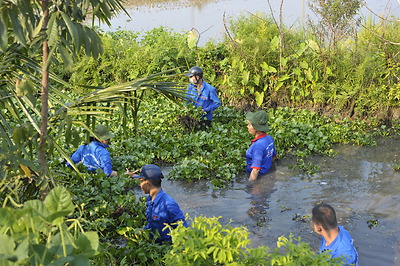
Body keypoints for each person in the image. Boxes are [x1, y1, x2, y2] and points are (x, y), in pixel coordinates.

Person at [126, 164, 188, 243]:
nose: (140, 185)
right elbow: (151, 225)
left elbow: (183, 230)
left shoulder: (168, 204)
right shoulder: (150, 200)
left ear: (147, 183)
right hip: (155, 244)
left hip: (167, 248)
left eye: (141, 181)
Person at [245, 110, 277, 181]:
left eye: (250, 125)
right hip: (267, 173)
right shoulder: (269, 138)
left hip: (259, 177)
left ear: (256, 129)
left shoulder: (258, 146)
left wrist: (250, 186)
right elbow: (273, 157)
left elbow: (255, 170)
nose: (247, 127)